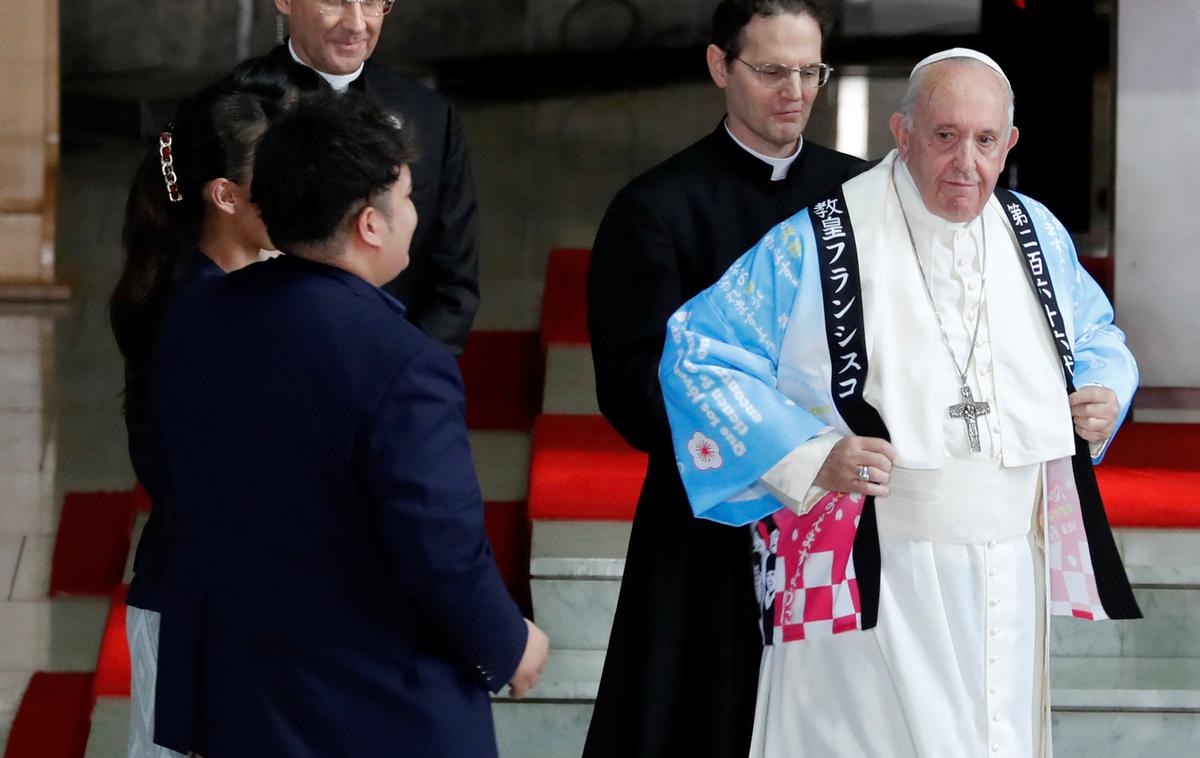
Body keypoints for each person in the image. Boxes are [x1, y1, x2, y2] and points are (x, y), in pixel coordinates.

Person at [660, 49, 1140, 758]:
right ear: (903, 133)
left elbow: (1096, 332)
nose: (966, 163)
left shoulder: (1035, 234)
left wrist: (1104, 388)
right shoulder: (821, 241)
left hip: (1010, 567)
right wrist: (813, 454)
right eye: (945, 136)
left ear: (1009, 143)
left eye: (985, 141)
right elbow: (698, 351)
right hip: (876, 570)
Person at [144, 91, 549, 757]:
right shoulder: (402, 364)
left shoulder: (196, 318)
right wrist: (508, 645)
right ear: (369, 224)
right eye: (409, 199)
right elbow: (440, 549)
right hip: (376, 711)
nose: (415, 216)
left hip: (238, 702)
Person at [584, 2, 863, 756]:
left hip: (847, 528)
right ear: (719, 67)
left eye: (811, 71)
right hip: (709, 524)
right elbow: (634, 387)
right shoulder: (655, 208)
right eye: (772, 70)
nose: (795, 91)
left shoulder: (863, 199)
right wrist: (783, 449)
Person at [109, 55, 325, 758]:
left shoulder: (265, 277)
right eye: (283, 175)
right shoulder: (199, 314)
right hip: (211, 608)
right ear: (226, 196)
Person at [270, 0, 479, 354]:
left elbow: (453, 282)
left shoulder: (429, 116)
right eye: (334, 1)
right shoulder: (232, 111)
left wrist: (403, 375)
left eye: (371, 2)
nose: (357, 24)